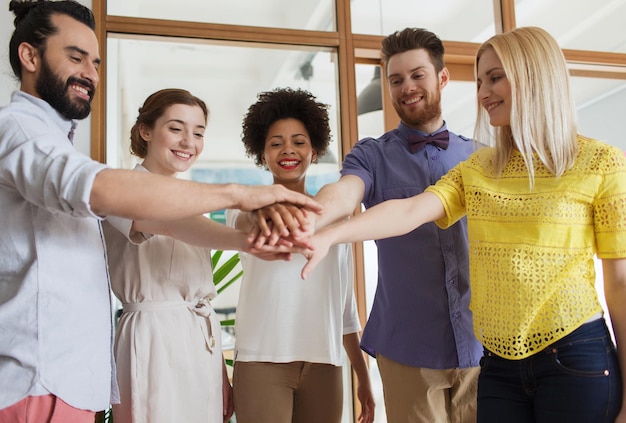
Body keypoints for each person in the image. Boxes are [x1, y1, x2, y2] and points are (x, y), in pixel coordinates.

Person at [0, 2, 320, 422]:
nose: (91, 73)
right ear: (30, 56)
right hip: (50, 369)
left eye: (95, 62)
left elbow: (183, 225)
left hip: (81, 370)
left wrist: (247, 242)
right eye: (75, 57)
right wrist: (240, 195)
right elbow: (136, 206)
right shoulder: (30, 134)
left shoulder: (60, 143)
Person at [301, 26, 626, 423]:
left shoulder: (600, 163)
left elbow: (620, 282)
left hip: (564, 353)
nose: (484, 93)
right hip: (485, 362)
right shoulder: (477, 168)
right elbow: (403, 210)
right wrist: (324, 231)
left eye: (495, 78)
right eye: (480, 81)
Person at [249, 28, 482, 423]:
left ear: (442, 78)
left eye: (417, 75)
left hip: (482, 347)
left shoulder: (481, 158)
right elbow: (343, 193)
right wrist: (307, 220)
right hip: (408, 351)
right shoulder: (371, 155)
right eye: (395, 80)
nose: (406, 87)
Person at [227, 87, 375, 423]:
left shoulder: (338, 216)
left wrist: (361, 373)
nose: (288, 150)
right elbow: (249, 222)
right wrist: (260, 212)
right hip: (261, 361)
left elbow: (345, 305)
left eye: (298, 141)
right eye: (276, 143)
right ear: (262, 154)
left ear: (315, 150)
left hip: (325, 363)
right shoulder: (246, 211)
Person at [102, 88, 250, 423]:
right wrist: (247, 237)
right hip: (151, 336)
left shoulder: (189, 198)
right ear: (146, 130)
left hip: (200, 337)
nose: (189, 142)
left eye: (198, 133)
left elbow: (185, 219)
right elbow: (170, 221)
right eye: (176, 128)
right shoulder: (120, 187)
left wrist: (220, 373)